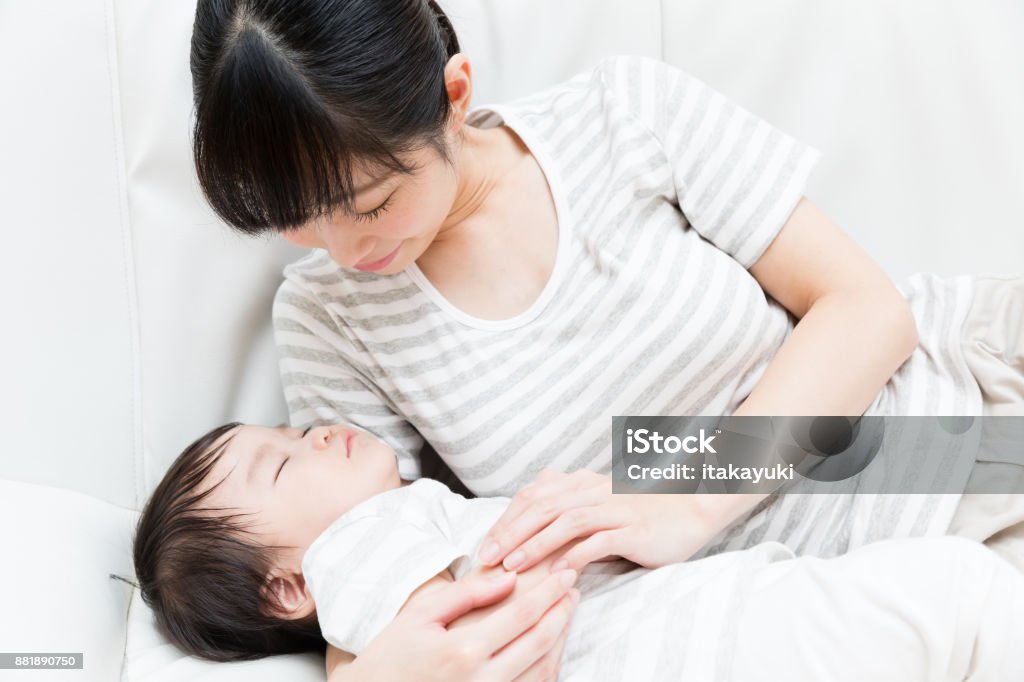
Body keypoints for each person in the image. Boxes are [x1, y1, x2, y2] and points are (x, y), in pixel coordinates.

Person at [188, 0, 1024, 677]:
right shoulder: (328, 318)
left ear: (453, 92)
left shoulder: (625, 117)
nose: (344, 248)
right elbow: (366, 558)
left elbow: (867, 310)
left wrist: (686, 496)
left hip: (945, 447)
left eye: (368, 203)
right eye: (295, 221)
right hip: (801, 610)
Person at [134, 420, 1024, 681]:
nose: (313, 430)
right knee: (959, 599)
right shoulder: (358, 549)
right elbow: (442, 628)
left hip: (787, 493)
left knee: (953, 607)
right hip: (705, 635)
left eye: (292, 428)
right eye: (281, 460)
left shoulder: (410, 515)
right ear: (289, 588)